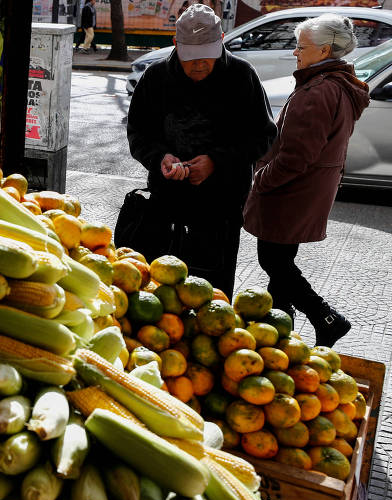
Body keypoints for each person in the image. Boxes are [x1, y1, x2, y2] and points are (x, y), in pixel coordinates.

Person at [126, 4, 276, 298]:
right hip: (165, 202)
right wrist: (160, 159)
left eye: (207, 56)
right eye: (191, 57)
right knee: (160, 291)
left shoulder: (241, 76)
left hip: (221, 206)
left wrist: (216, 162)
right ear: (175, 45)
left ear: (221, 40)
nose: (199, 65)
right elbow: (137, 134)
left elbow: (264, 136)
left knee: (212, 292)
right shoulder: (156, 77)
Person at [243, 14, 369, 347]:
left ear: (325, 49)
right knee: (280, 262)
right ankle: (279, 330)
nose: (295, 52)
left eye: (301, 47)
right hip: (306, 191)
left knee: (273, 261)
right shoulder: (335, 83)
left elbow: (295, 158)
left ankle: (327, 318)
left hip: (291, 193)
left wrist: (261, 180)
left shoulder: (318, 91)